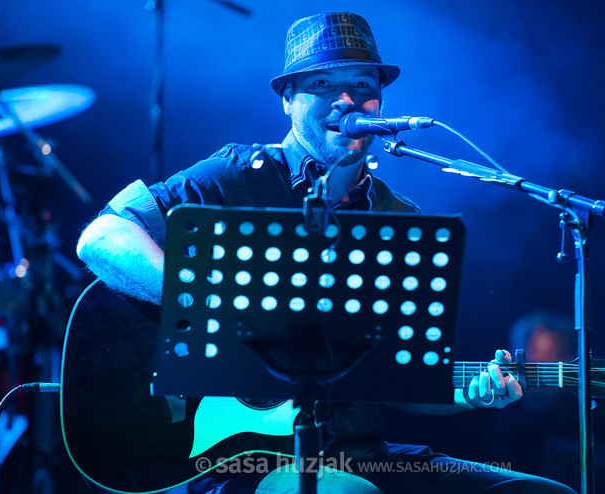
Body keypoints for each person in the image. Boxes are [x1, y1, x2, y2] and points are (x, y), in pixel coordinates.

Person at [76, 11, 576, 494]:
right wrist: (207, 301)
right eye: (322, 85)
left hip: (365, 455)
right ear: (287, 99)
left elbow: (403, 377)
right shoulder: (236, 177)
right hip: (243, 460)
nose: (346, 100)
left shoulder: (398, 219)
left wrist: (472, 394)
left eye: (363, 86)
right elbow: (100, 238)